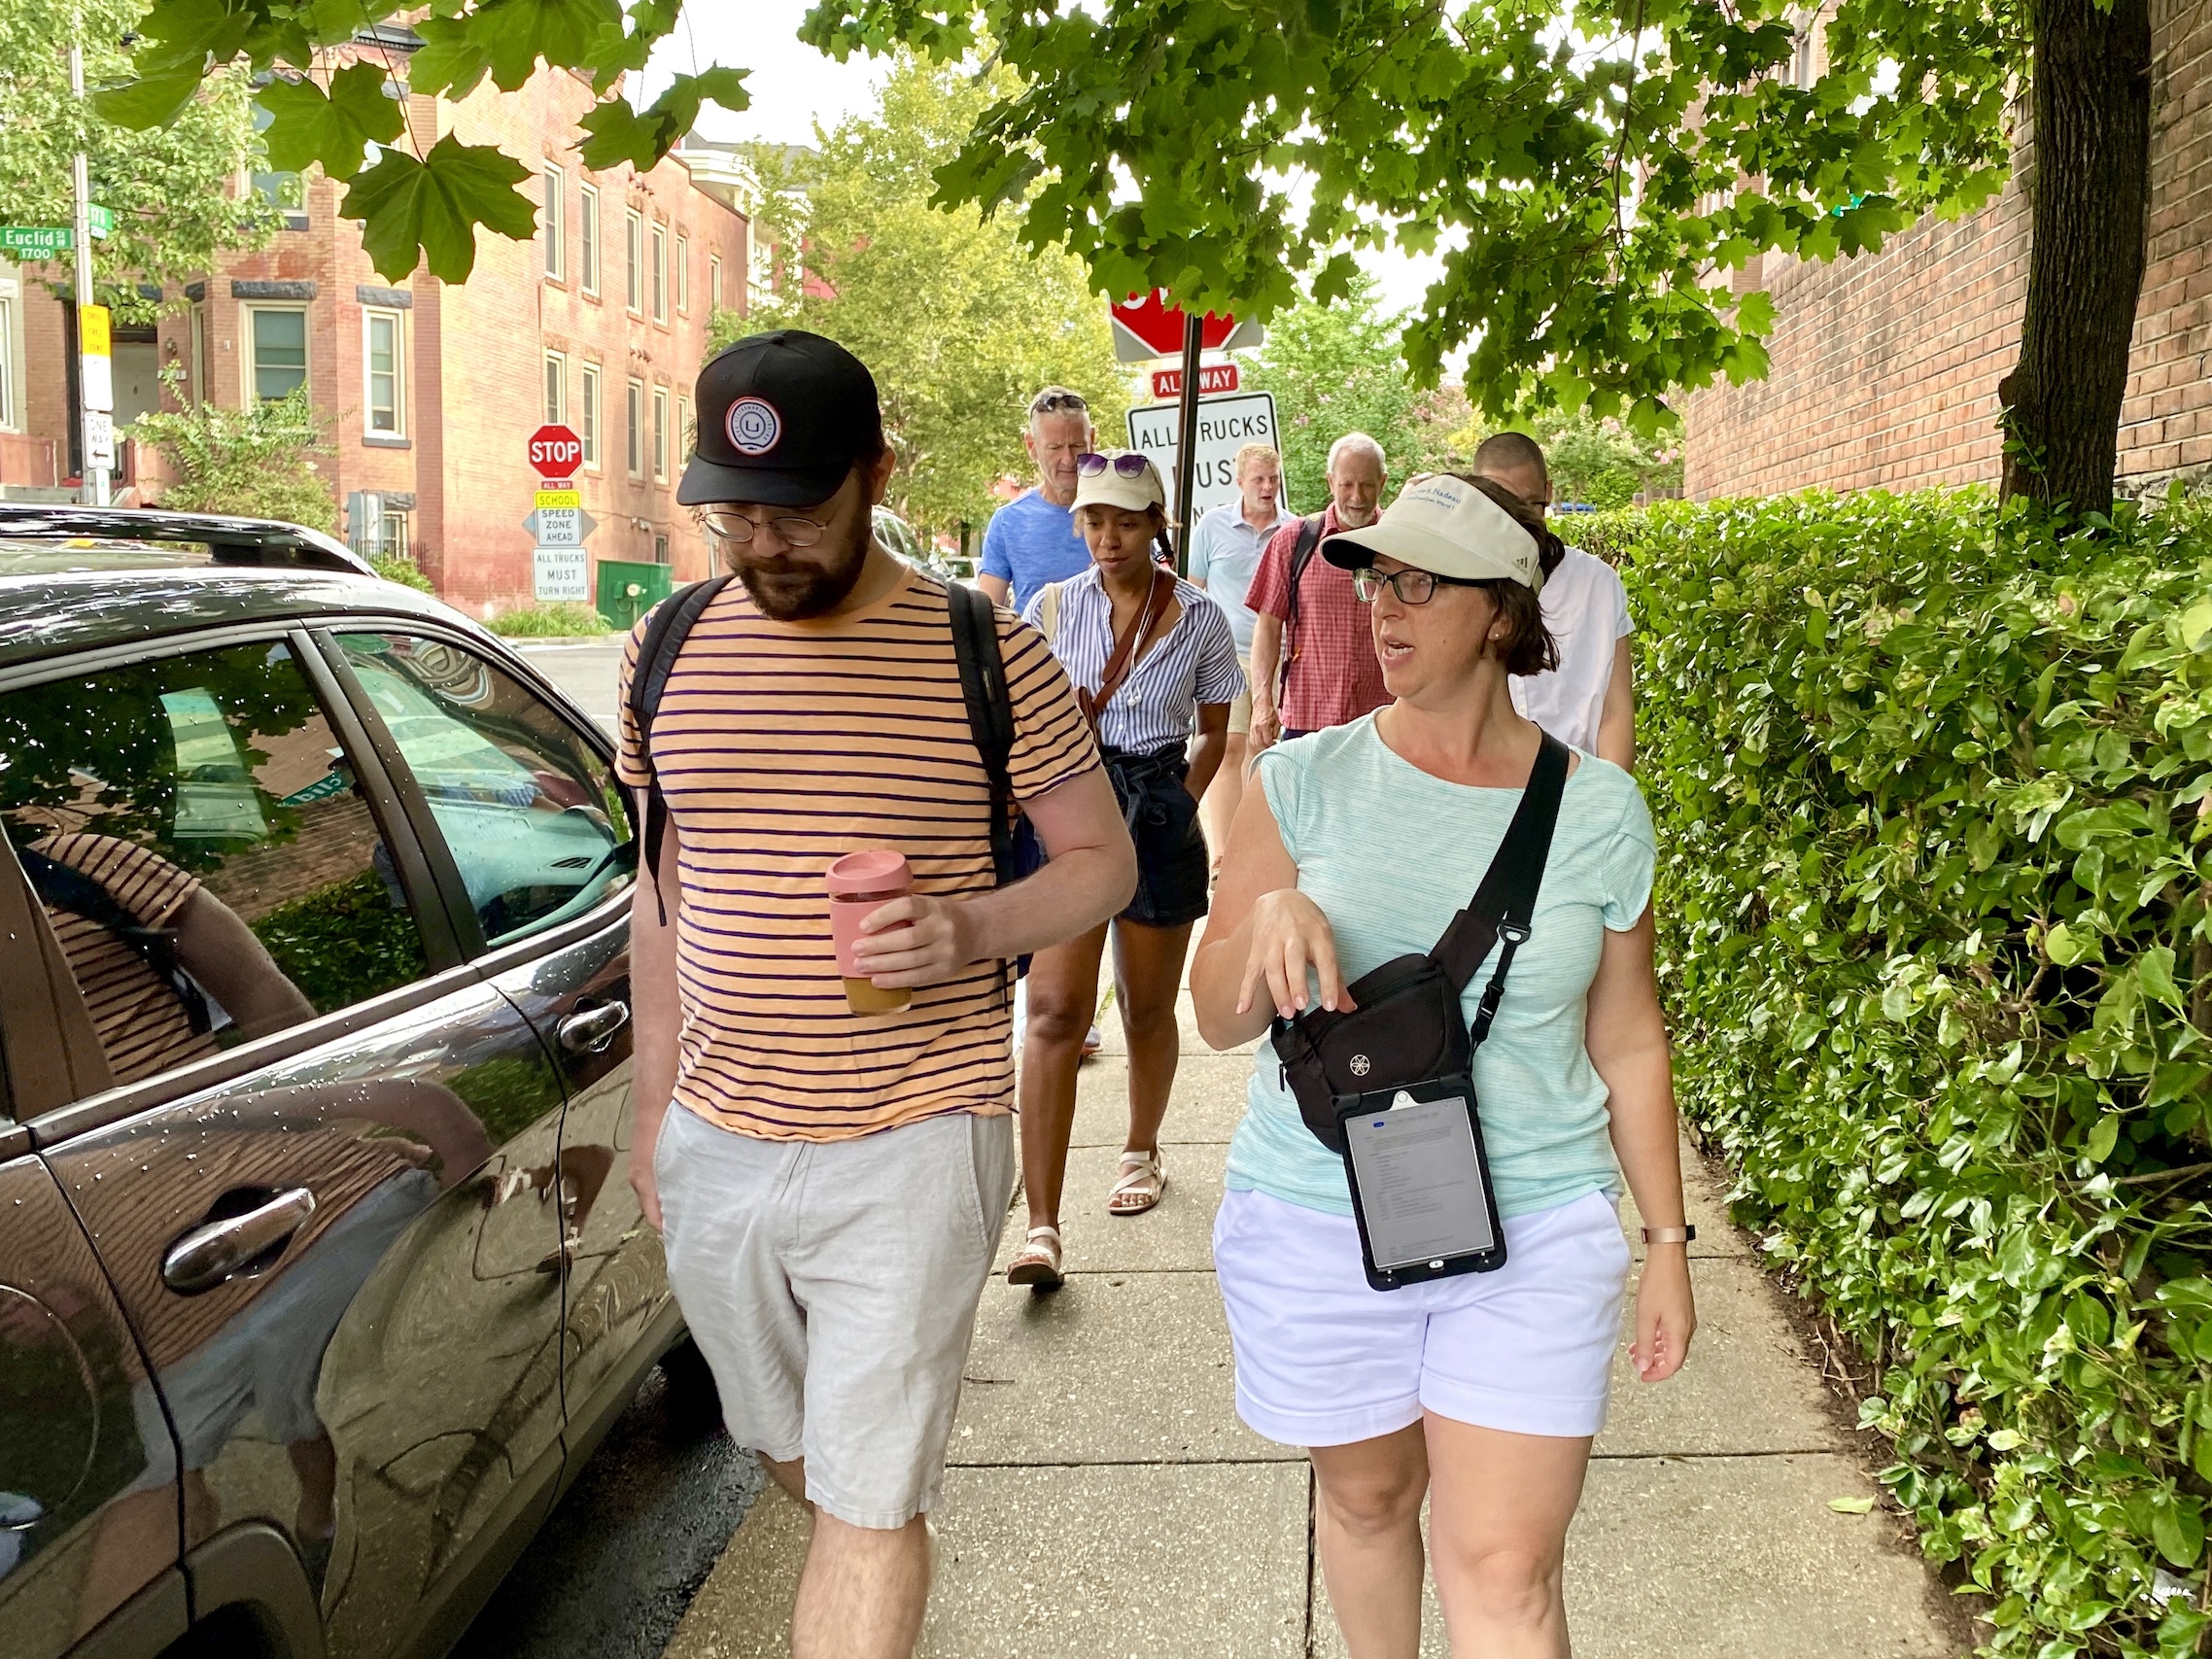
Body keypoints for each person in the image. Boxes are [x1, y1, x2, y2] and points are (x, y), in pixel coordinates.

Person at [623, 330, 1137, 1659]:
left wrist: (969, 923)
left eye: (799, 511)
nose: (764, 543)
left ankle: (878, 1543)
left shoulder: (989, 650)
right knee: (797, 1455)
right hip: (721, 1138)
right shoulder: (665, 646)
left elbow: (1102, 862)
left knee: (864, 1502)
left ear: (877, 474)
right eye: (733, 513)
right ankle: (884, 1539)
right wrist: (652, 1113)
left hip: (917, 1131)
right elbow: (660, 894)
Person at [1191, 471, 1696, 1656]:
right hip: (1319, 1213)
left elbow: (1626, 1035)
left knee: (1505, 1569)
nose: (1382, 606)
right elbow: (1215, 1017)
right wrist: (1258, 929)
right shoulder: (1299, 780)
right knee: (1366, 1506)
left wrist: (1668, 1245)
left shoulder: (1599, 810)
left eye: (1421, 581)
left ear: (1503, 614)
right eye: (1375, 577)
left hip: (1533, 1222)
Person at [1006, 451, 1245, 1290]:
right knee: (1053, 1012)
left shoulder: (1201, 618)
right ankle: (1040, 1224)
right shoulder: (1048, 608)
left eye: (1126, 521)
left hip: (1153, 801)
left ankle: (1141, 1149)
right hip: (1072, 807)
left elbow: (1216, 729)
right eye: (1095, 520)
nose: (1107, 537)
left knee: (1146, 1008)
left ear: (1157, 525)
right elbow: (1017, 721)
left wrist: (1182, 798)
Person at [1472, 432, 1637, 767]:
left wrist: (1613, 800)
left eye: (1529, 506)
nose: (1517, 524)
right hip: (1484, 794)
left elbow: (1615, 710)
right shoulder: (1458, 583)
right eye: (1501, 509)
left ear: (1548, 491)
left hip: (1579, 789)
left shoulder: (1599, 583)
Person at [1188, 441, 1296, 866]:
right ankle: (1224, 856)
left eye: (1273, 479)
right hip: (1224, 654)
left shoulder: (1293, 530)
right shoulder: (1211, 526)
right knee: (1228, 746)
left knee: (1261, 748)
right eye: (1258, 479)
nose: (1267, 487)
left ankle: (1250, 854)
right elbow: (1192, 591)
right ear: (1240, 482)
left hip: (1276, 654)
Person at [1246, 432, 1390, 750]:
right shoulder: (1294, 540)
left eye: (1367, 484)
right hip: (1308, 718)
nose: (1357, 496)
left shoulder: (1399, 545)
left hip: (1383, 719)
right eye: (1347, 484)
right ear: (1330, 482)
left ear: (1382, 483)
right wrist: (1262, 704)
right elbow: (1268, 626)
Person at [976, 386, 1096, 614]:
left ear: (1092, 439)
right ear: (1031, 447)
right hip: (1034, 648)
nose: (1068, 459)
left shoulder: (1119, 512)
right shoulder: (1007, 522)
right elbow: (986, 616)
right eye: (1055, 447)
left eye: (1077, 445)